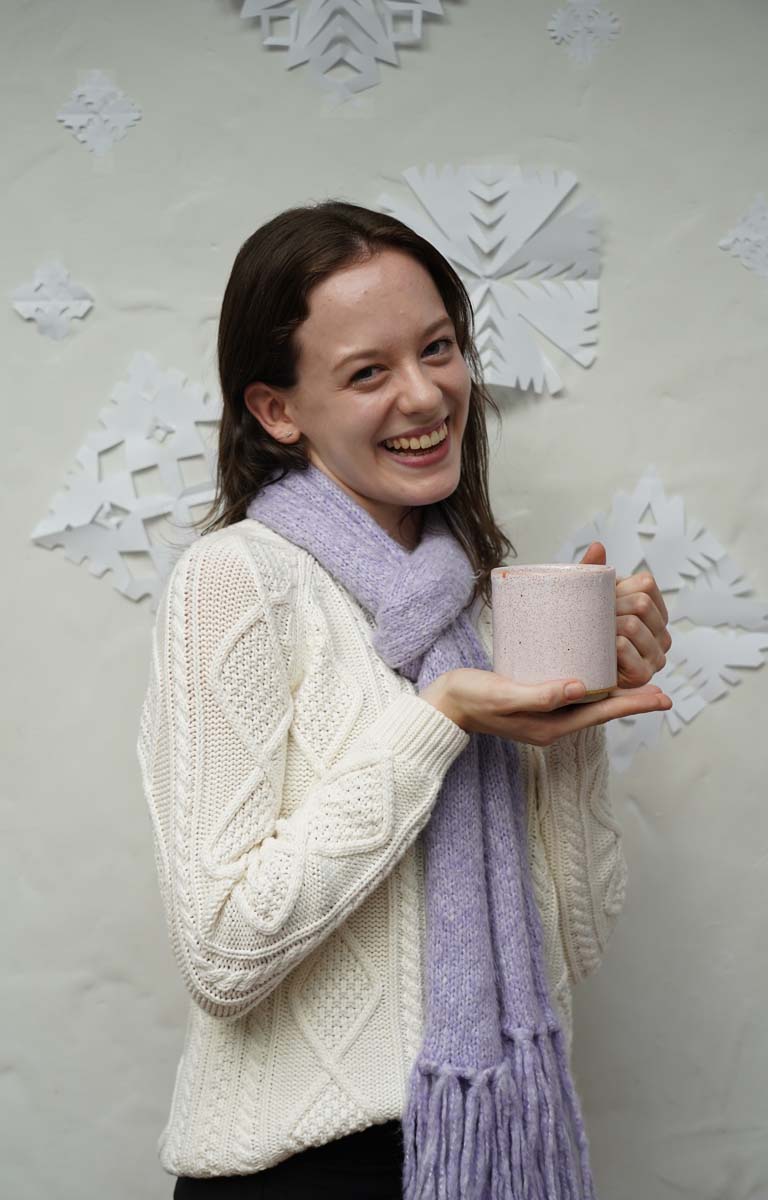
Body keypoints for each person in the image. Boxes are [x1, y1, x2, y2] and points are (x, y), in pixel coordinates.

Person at [135, 199, 672, 1199]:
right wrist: (436, 724)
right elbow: (221, 952)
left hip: (489, 1147)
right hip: (304, 1172)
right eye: (367, 372)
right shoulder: (237, 580)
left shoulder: (475, 592)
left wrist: (574, 714)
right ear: (276, 410)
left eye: (438, 348)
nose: (425, 396)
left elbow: (580, 936)